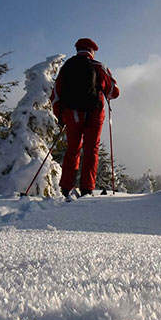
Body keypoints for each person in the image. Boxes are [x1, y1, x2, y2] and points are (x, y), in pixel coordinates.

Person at [50, 38, 120, 200]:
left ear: (77, 50)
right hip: (94, 114)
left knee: (73, 149)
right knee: (91, 150)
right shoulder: (99, 66)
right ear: (92, 51)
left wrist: (61, 116)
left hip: (72, 114)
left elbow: (55, 95)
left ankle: (66, 188)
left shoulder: (66, 68)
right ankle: (87, 189)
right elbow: (113, 92)